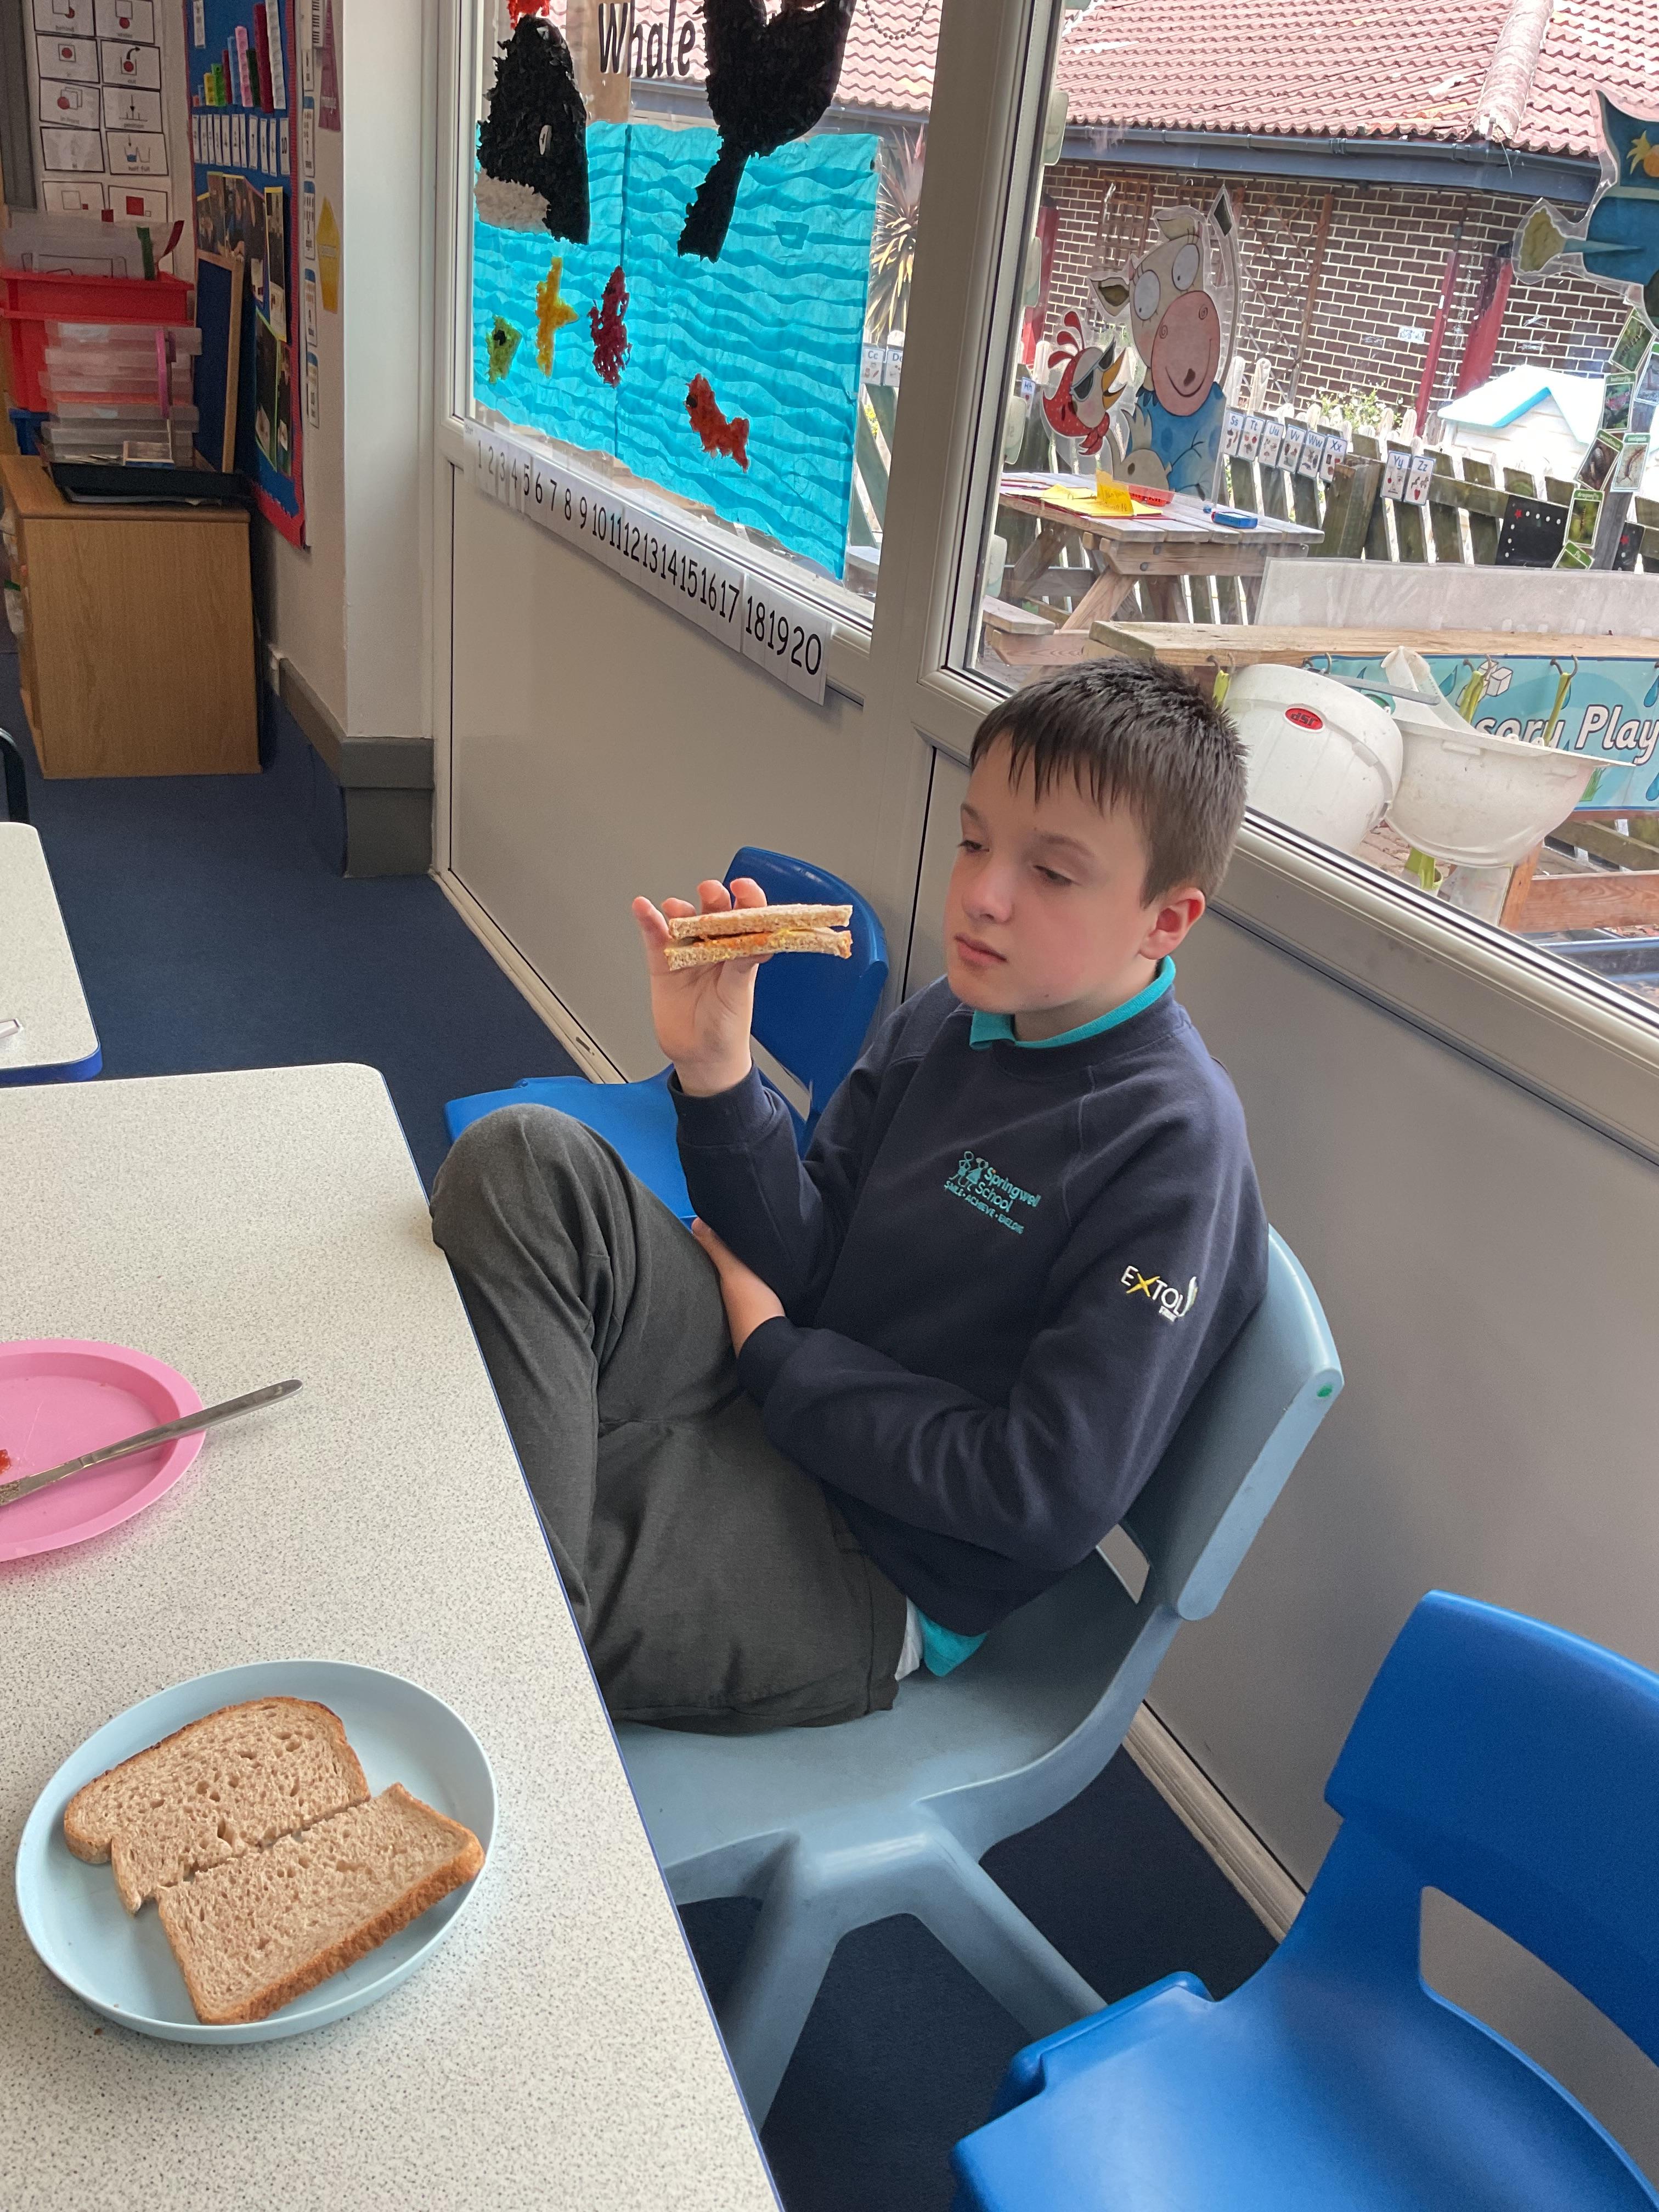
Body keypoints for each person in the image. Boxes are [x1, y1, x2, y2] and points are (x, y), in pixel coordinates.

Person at [431, 660, 1268, 1734]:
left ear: (1167, 919)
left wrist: (778, 1356)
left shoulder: (1175, 1152)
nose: (985, 894)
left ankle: (507, 1617)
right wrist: (718, 1074)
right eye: (975, 842)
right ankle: (518, 1572)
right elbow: (806, 1250)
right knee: (522, 1160)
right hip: (775, 1390)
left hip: (877, 1559)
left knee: (485, 1596)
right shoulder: (949, 1016)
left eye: (1054, 873)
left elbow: (1040, 1494)